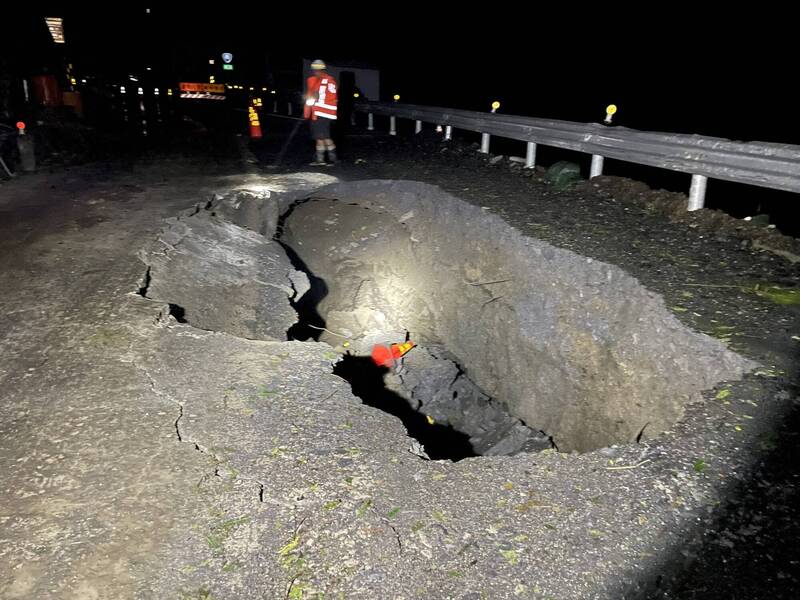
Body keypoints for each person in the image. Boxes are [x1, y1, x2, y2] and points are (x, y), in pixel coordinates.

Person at [304, 59, 338, 166]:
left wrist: (317, 98)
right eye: (315, 70)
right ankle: (321, 160)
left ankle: (332, 159)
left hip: (322, 113)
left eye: (318, 70)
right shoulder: (316, 81)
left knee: (324, 137)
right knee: (319, 137)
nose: (316, 72)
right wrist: (307, 112)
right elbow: (310, 97)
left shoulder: (326, 81)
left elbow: (330, 96)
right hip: (319, 113)